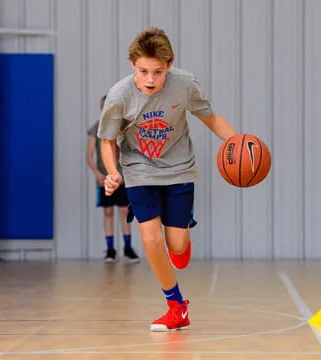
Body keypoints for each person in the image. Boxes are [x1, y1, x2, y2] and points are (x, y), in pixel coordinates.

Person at [98, 27, 237, 331]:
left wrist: (236, 142)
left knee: (176, 247)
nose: (150, 79)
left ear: (170, 65)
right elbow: (107, 140)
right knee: (150, 240)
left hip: (178, 168)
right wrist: (112, 172)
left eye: (158, 72)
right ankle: (176, 306)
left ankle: (182, 236)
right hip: (139, 169)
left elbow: (210, 117)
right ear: (133, 65)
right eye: (144, 71)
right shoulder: (119, 95)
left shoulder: (185, 85)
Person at [86, 95, 140, 264]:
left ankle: (128, 248)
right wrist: (98, 175)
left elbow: (131, 152)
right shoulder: (96, 129)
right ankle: (110, 250)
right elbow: (89, 156)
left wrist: (127, 174)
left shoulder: (123, 127)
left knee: (124, 211)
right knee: (108, 211)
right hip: (105, 178)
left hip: (122, 178)